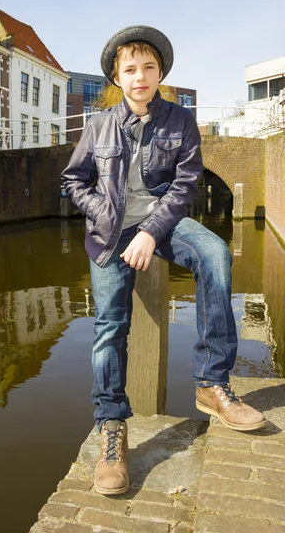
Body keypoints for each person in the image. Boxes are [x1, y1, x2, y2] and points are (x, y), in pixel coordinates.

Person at [61, 25, 266, 496]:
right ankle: (112, 424)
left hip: (162, 220)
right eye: (129, 69)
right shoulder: (97, 127)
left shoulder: (180, 121)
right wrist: (105, 213)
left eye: (148, 68)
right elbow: (74, 182)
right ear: (117, 75)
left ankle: (211, 385)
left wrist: (151, 233)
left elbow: (185, 184)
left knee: (215, 252)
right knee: (111, 324)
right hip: (109, 233)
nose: (139, 76)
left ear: (160, 74)